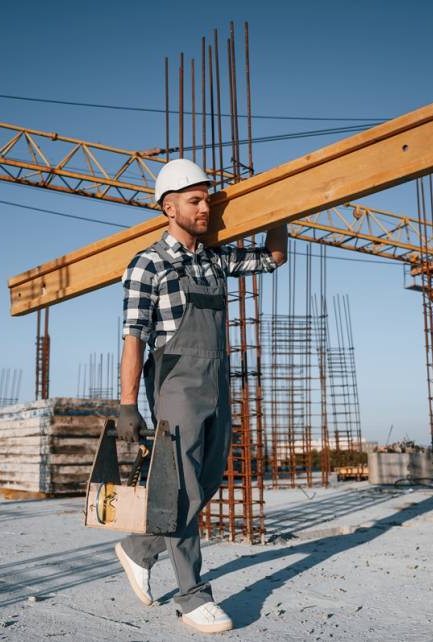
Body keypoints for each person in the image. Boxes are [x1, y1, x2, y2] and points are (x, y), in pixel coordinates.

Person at [115, 158, 287, 634]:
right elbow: (132, 337)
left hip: (216, 384)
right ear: (168, 207)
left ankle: (140, 548)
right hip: (175, 387)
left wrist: (284, 205)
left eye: (207, 198)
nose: (205, 207)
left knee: (207, 480)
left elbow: (273, 258)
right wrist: (128, 403)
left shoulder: (213, 260)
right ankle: (193, 596)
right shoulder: (148, 264)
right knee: (184, 485)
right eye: (195, 200)